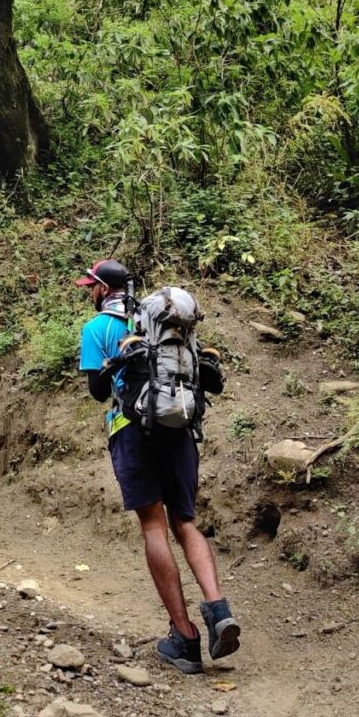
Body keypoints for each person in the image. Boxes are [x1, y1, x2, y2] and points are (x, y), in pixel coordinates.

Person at [76, 260, 240, 674]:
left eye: (90, 286)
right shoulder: (163, 321)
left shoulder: (98, 328)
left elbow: (98, 392)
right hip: (181, 426)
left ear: (102, 290)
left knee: (154, 526)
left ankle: (185, 640)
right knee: (185, 522)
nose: (88, 292)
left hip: (133, 429)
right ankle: (218, 608)